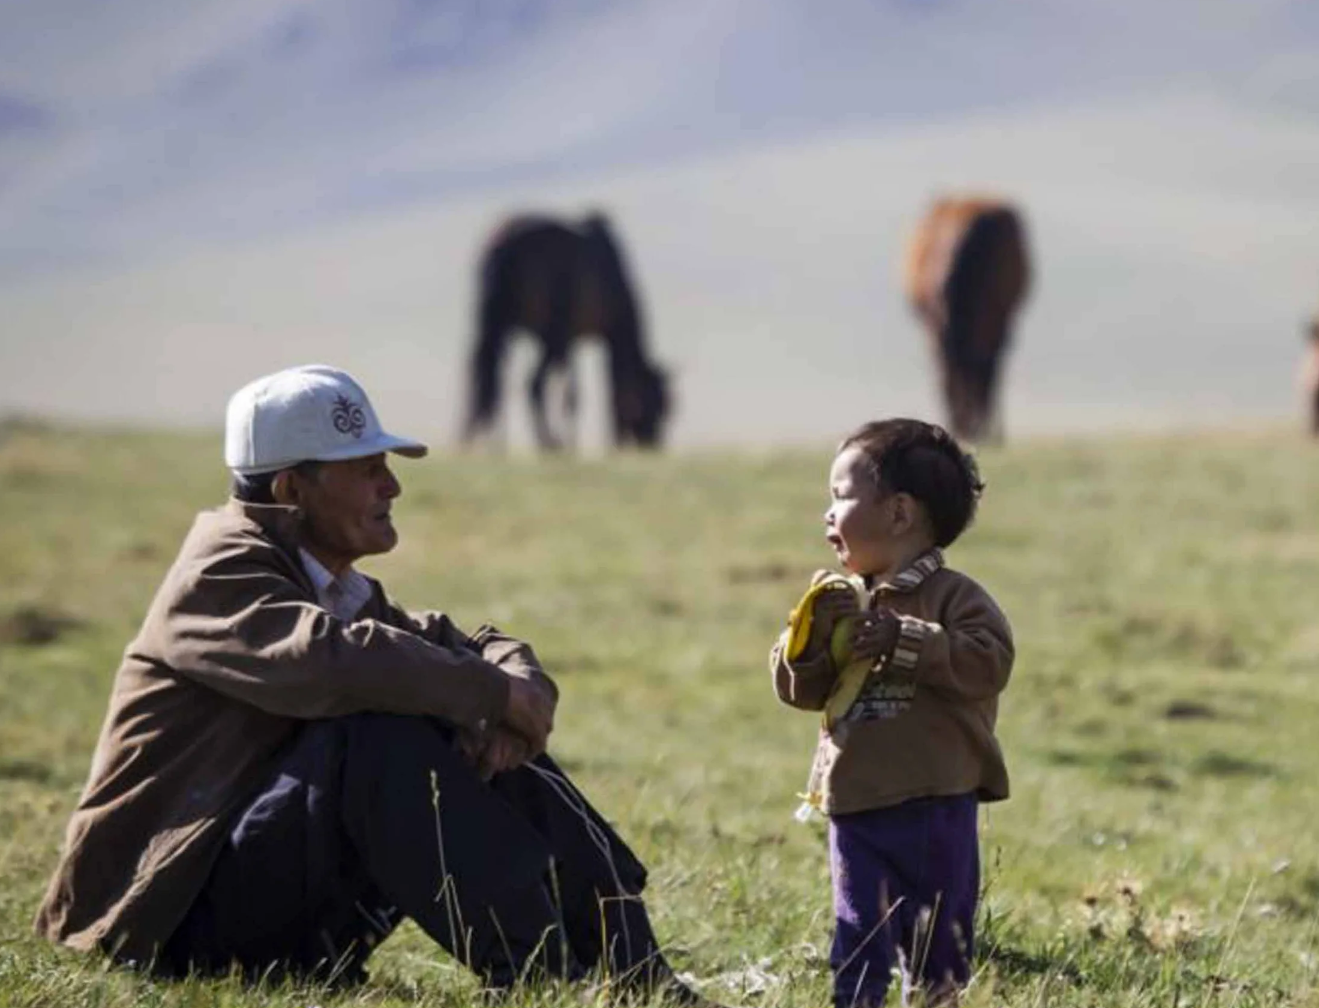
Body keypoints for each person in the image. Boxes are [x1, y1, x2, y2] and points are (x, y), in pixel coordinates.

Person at [36, 364, 714, 1002]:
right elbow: (335, 662)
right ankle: (534, 974)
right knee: (380, 728)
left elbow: (462, 647)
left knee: (424, 699)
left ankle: (635, 970)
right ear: (290, 491)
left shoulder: (321, 582)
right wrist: (493, 698)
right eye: (366, 469)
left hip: (263, 915)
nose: (391, 487)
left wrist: (511, 694)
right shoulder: (218, 574)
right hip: (160, 926)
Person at [769, 419, 1015, 1008]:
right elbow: (802, 691)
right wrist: (803, 648)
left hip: (937, 805)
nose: (828, 514)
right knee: (858, 940)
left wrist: (906, 640)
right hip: (855, 808)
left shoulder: (955, 598)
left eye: (841, 496)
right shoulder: (837, 602)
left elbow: (988, 662)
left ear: (900, 513)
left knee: (938, 951)